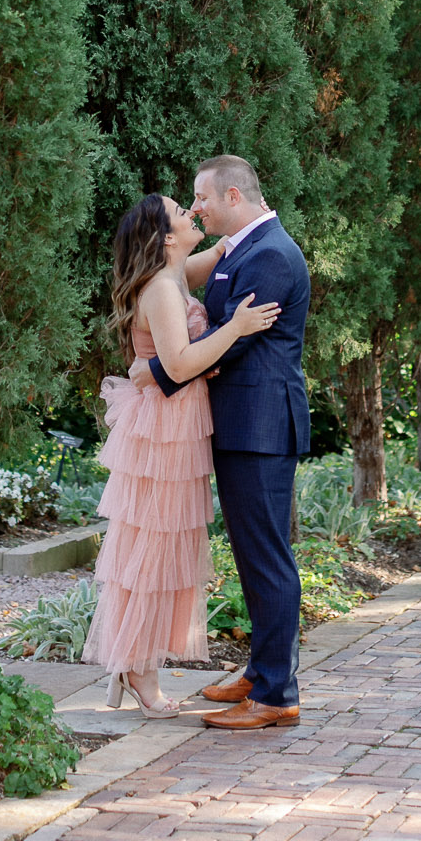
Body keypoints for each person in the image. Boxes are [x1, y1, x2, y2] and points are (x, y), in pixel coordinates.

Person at [82, 192, 280, 716]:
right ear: (166, 237)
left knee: (164, 547)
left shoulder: (175, 273)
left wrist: (247, 210)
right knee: (155, 551)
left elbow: (221, 253)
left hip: (175, 426)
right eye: (181, 210)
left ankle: (134, 664)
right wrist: (235, 328)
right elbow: (181, 360)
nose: (192, 212)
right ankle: (139, 672)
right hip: (164, 431)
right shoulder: (163, 290)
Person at [136, 154, 311, 731]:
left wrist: (158, 373)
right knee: (252, 555)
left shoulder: (272, 257)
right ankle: (260, 672)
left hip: (260, 428)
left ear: (234, 197)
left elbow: (231, 341)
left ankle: (275, 694)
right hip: (240, 424)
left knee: (268, 559)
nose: (197, 208)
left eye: (203, 198)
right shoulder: (242, 249)